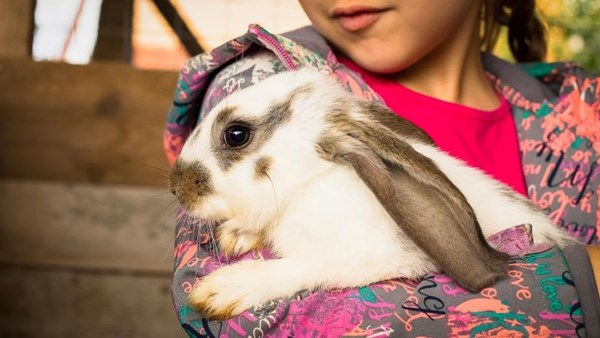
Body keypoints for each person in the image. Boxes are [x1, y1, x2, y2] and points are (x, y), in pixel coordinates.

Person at [164, 0, 600, 336]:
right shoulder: (270, 81)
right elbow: (242, 316)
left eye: (237, 139)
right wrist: (587, 281)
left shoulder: (580, 116)